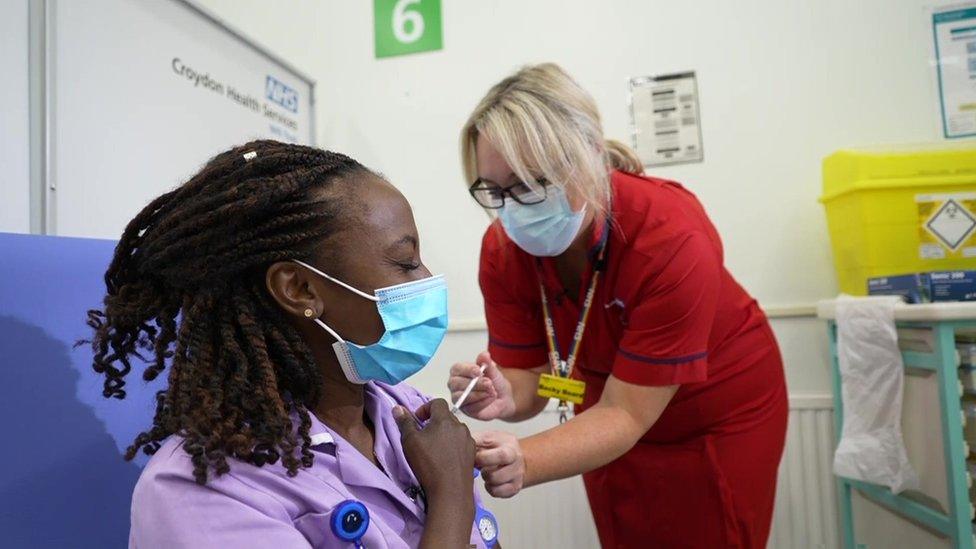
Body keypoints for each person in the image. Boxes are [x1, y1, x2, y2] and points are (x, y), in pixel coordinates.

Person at [86, 141, 498, 548]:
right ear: (300, 289)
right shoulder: (203, 490)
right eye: (406, 263)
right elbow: (459, 511)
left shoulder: (404, 410)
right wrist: (451, 494)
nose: (426, 278)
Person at [449, 63, 788, 548]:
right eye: (495, 191)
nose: (513, 208)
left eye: (528, 183)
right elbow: (537, 378)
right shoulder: (504, 251)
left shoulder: (669, 236)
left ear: (586, 157)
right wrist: (507, 392)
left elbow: (627, 414)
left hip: (712, 413)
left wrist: (525, 458)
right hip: (604, 412)